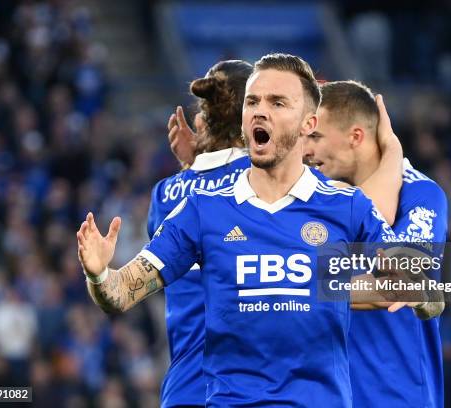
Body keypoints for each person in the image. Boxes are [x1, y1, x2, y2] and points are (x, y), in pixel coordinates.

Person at [76, 53, 398, 406]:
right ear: (242, 119)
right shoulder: (203, 209)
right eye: (252, 102)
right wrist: (99, 274)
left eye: (277, 102)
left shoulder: (344, 205)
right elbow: (119, 294)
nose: (261, 111)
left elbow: (420, 282)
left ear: (309, 124)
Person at [303, 80, 448, 407]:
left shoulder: (421, 194)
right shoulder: (316, 199)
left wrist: (302, 286)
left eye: (315, 137)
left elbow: (400, 280)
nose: (305, 150)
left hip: (399, 396)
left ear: (356, 137)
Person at [149, 60, 253, 408]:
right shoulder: (268, 183)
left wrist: (192, 166)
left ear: (202, 117)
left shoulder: (166, 194)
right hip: (252, 387)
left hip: (185, 388)